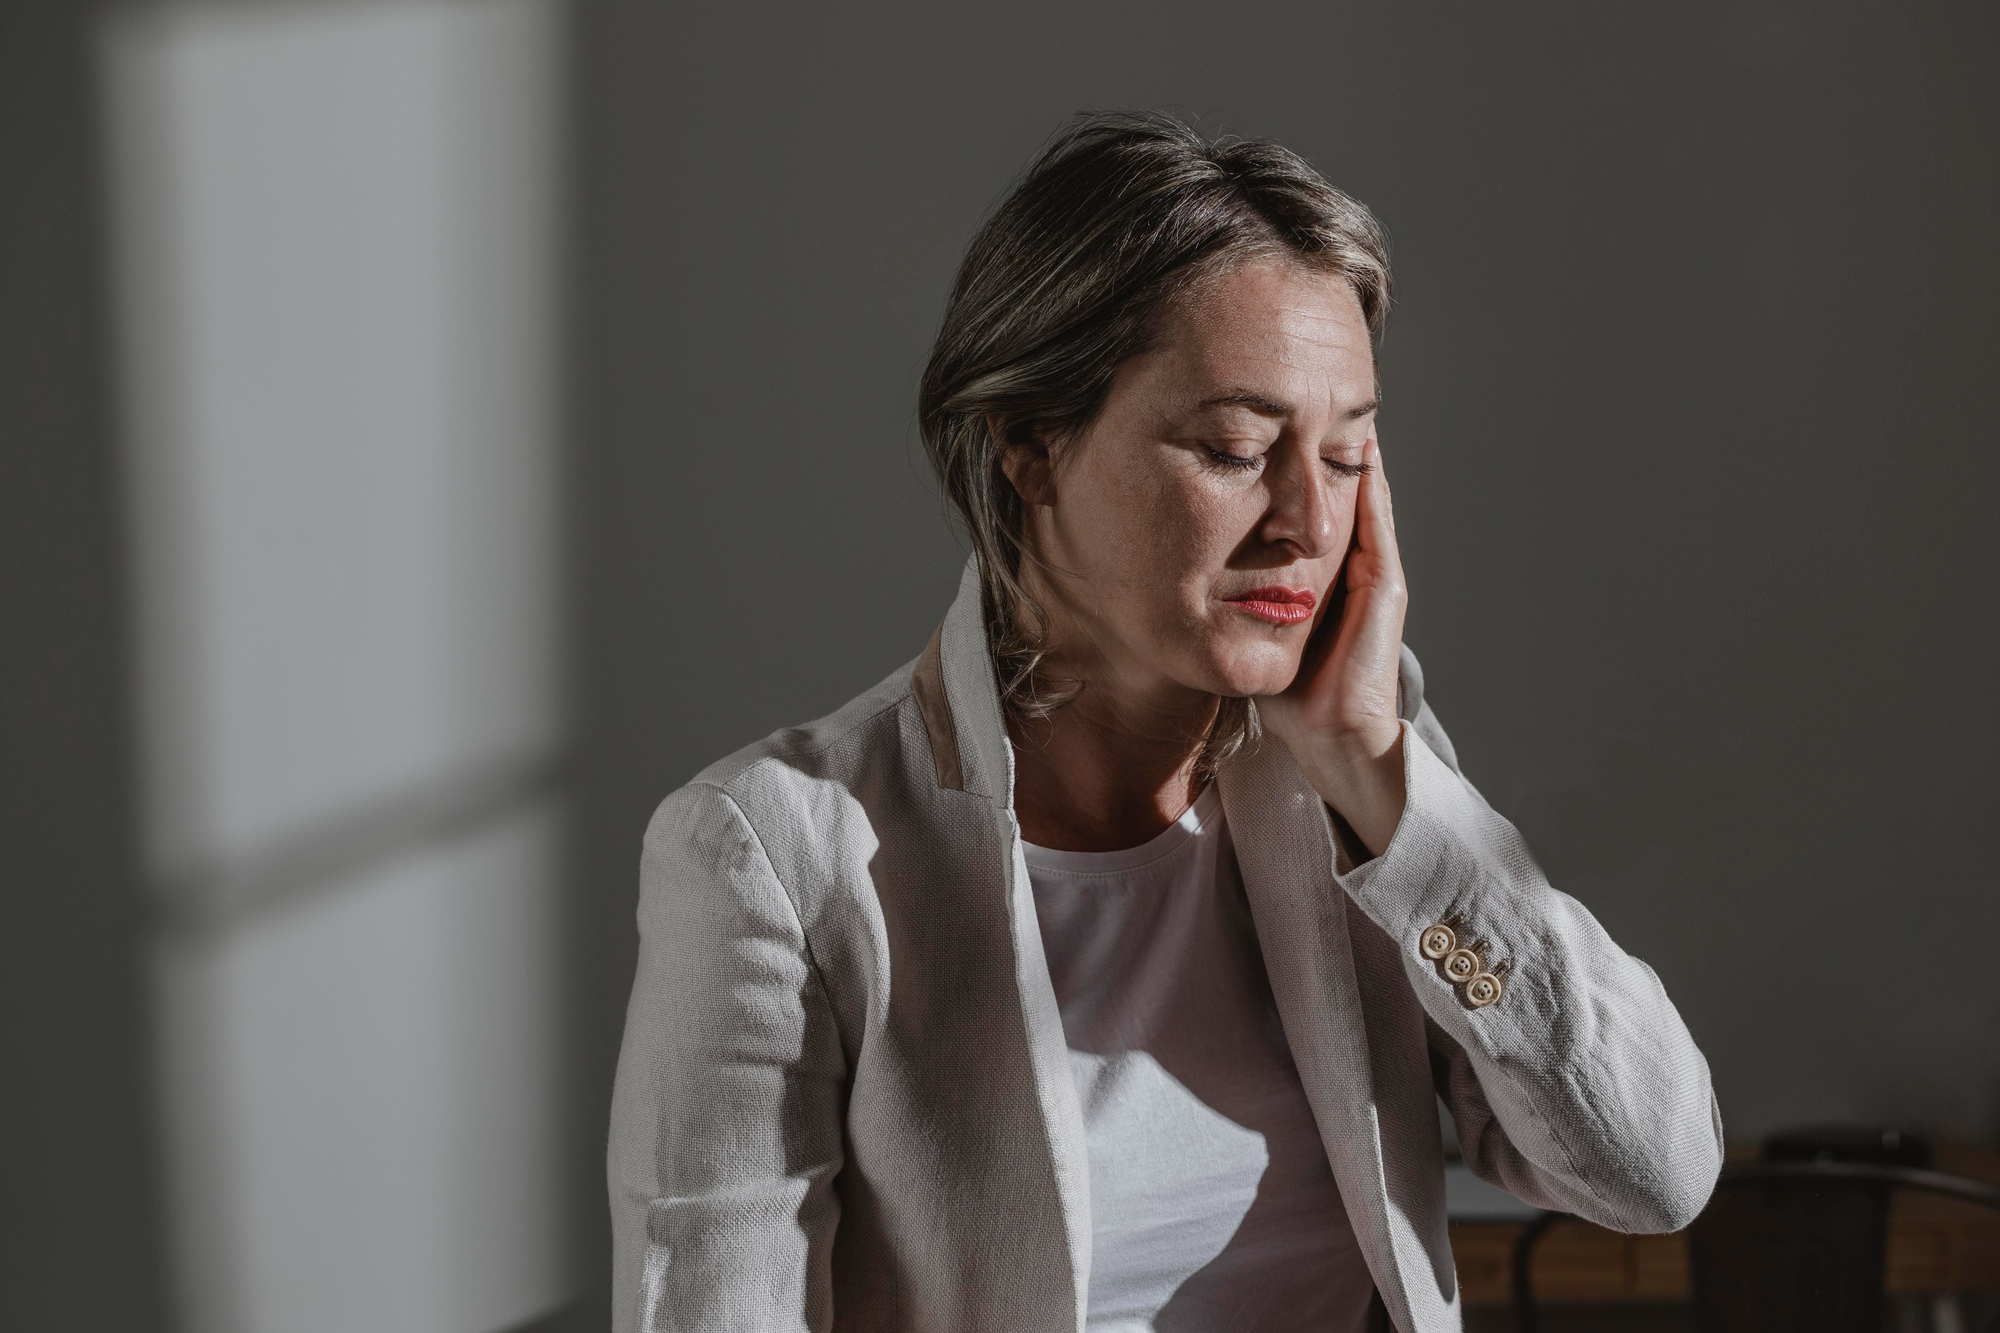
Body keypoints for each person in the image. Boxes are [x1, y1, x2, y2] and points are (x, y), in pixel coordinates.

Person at [608, 111, 1722, 1333]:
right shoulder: (774, 854)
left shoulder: (1352, 791)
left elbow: (1649, 1171)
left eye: (1347, 455)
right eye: (1236, 447)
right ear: (1029, 443)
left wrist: (1372, 768)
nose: (1306, 517)